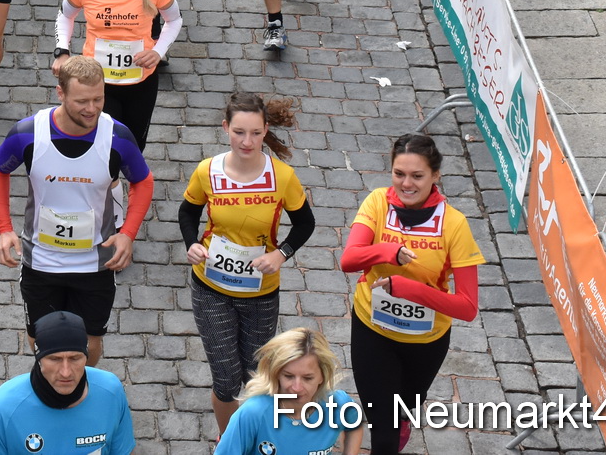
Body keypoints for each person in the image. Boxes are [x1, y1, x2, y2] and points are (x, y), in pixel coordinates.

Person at [0, 58, 151, 364]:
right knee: (41, 340)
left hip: (94, 263)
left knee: (89, 342)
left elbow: (143, 181)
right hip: (41, 260)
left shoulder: (117, 137)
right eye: (82, 101)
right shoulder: (28, 133)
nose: (92, 109)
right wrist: (4, 229)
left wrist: (127, 234)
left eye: (98, 99)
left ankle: (82, 393)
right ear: (60, 93)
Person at [181, 92, 317, 438]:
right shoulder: (207, 171)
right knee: (227, 379)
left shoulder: (282, 177)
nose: (247, 141)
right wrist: (192, 244)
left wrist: (280, 253)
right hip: (211, 287)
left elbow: (305, 223)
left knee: (257, 374)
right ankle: (232, 441)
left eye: (255, 133)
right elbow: (188, 211)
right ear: (225, 128)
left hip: (260, 292)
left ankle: (259, 432)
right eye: (239, 132)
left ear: (266, 130)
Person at [341, 133, 484, 455]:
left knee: (402, 412)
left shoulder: (455, 225)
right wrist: (388, 252)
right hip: (372, 330)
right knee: (384, 435)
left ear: (435, 176)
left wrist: (409, 290)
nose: (406, 184)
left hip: (425, 342)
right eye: (399, 174)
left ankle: (401, 421)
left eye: (417, 176)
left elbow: (467, 307)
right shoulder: (378, 202)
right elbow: (349, 260)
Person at [51, 0, 178, 147]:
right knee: (102, 143)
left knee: (134, 145)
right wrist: (62, 51)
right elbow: (65, 16)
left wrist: (158, 52)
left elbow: (174, 20)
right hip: (96, 81)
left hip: (141, 80)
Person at [0, 310, 134, 454]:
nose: (65, 372)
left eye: (75, 358)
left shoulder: (111, 392)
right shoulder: (2, 408)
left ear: (86, 357)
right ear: (39, 360)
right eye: (54, 359)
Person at [218, 328, 364, 455]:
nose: (297, 388)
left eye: (308, 378)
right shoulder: (253, 413)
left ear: (322, 376)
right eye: (288, 376)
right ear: (276, 374)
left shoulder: (338, 405)